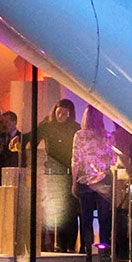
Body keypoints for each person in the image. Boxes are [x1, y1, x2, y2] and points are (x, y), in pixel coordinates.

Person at [37, 98, 81, 251]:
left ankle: (69, 245)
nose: (61, 115)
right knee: (55, 209)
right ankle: (58, 244)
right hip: (53, 175)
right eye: (59, 112)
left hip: (69, 174)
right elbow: (32, 136)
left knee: (70, 210)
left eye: (65, 113)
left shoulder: (75, 128)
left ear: (70, 114)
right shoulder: (47, 125)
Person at [71, 108, 114, 258]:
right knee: (104, 219)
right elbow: (112, 160)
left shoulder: (80, 135)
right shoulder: (107, 136)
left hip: (85, 181)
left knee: (86, 218)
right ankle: (104, 255)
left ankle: (88, 255)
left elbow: (76, 160)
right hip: (103, 181)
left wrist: (73, 182)